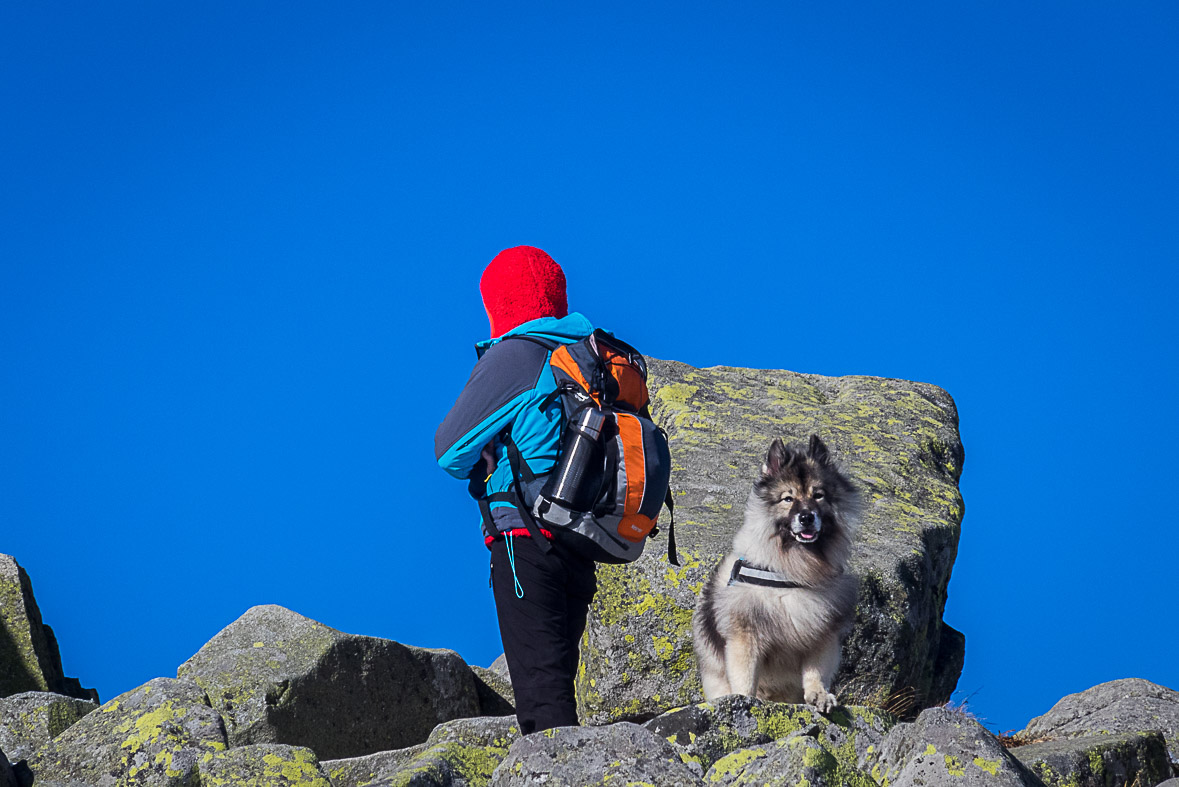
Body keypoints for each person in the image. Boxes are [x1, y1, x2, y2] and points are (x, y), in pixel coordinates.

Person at [434, 245, 598, 734]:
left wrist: (486, 449)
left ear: (499, 304)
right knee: (557, 681)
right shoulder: (586, 354)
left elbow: (449, 450)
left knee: (541, 699)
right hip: (581, 540)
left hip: (525, 541)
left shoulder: (517, 353)